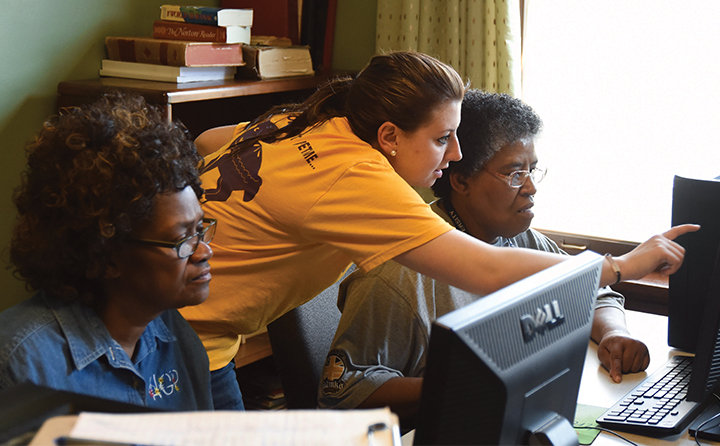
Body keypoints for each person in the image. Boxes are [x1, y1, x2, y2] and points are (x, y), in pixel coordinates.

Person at [185, 51, 695, 385]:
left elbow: (208, 142)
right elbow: (486, 269)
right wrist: (621, 265)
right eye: (439, 138)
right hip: (180, 338)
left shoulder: (315, 123)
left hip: (204, 336)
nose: (453, 154)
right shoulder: (360, 177)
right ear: (388, 136)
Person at [317, 90, 652, 427]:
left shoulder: (516, 237)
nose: (531, 187)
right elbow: (343, 392)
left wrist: (613, 333)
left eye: (533, 170)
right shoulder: (397, 274)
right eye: (514, 174)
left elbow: (590, 288)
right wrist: (466, 386)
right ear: (461, 180)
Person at [0, 93, 242, 411]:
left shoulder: (175, 335)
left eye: (200, 229)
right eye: (182, 239)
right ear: (107, 254)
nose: (204, 251)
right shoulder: (22, 363)